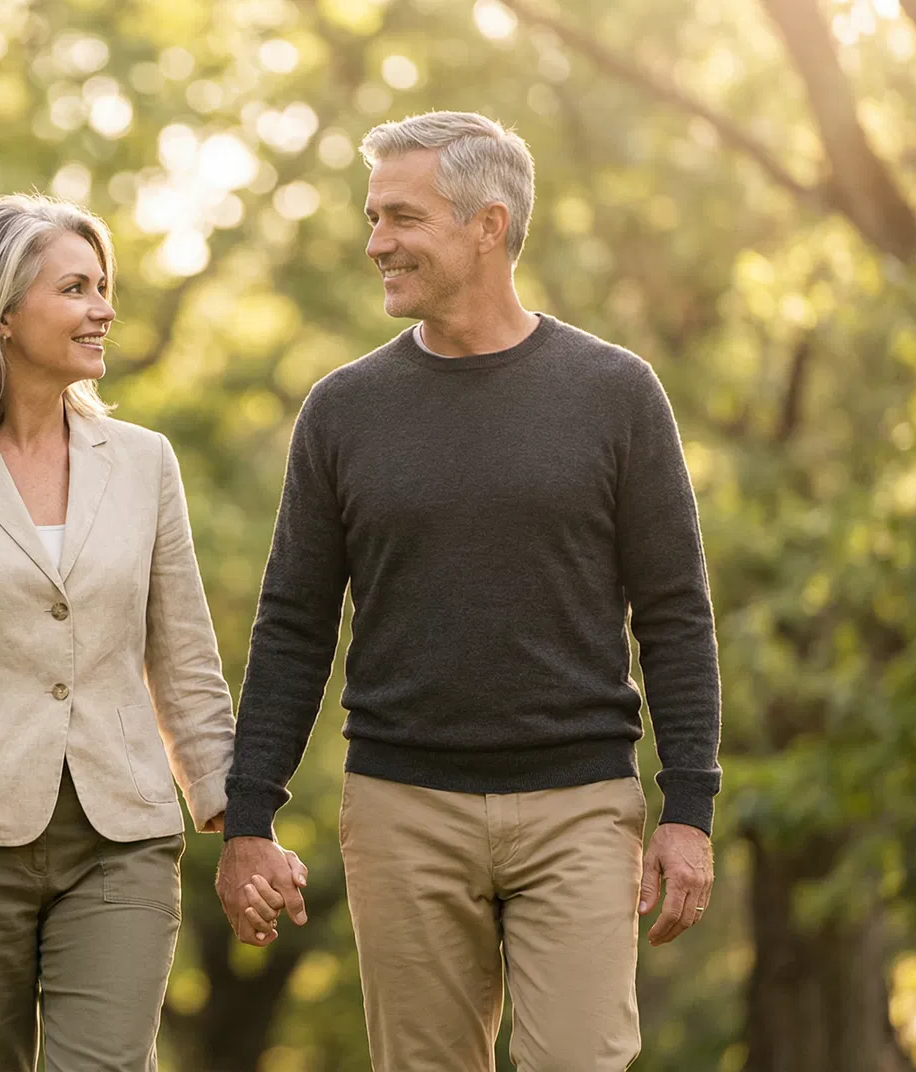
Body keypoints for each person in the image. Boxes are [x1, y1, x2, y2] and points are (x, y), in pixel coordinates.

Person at [216, 111, 722, 1070]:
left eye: (401, 218)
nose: (376, 244)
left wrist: (688, 807)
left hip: (580, 804)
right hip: (402, 805)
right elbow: (292, 627)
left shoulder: (615, 393)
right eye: (373, 218)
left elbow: (675, 614)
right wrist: (250, 815)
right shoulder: (344, 410)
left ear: (488, 225)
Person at [0, 194, 283, 1071]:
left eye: (104, 286)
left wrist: (244, 824)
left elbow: (185, 660)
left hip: (121, 838)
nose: (104, 309)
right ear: (3, 313)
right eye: (76, 288)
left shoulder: (146, 462)